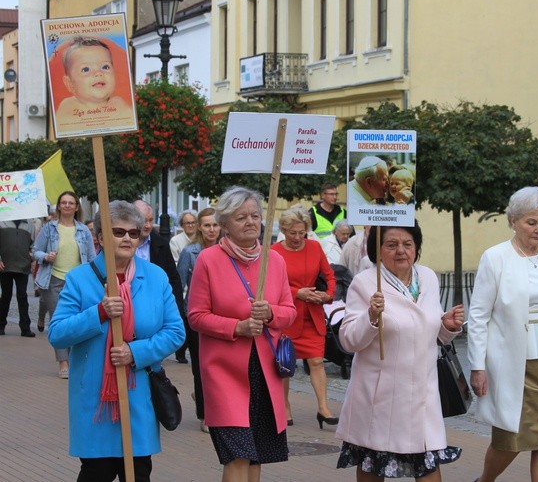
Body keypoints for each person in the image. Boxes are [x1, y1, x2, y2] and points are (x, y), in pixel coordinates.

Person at [47, 200, 185, 482]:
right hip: (96, 398)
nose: (126, 238)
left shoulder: (155, 277)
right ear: (99, 237)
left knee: (137, 473)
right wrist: (98, 312)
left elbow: (175, 331)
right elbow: (57, 332)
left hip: (139, 396)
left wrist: (136, 352)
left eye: (133, 233)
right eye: (118, 232)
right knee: (97, 472)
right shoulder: (80, 279)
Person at [336, 221, 465, 480]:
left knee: (429, 467)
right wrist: (371, 317)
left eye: (408, 244)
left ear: (417, 247)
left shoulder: (428, 277)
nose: (401, 251)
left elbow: (427, 328)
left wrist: (447, 325)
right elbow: (349, 340)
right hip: (380, 399)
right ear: (377, 250)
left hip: (422, 397)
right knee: (374, 466)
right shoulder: (365, 282)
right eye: (391, 245)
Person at [187, 186, 296, 482]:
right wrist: (237, 326)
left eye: (255, 215)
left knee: (256, 455)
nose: (250, 222)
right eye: (241, 217)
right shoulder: (208, 260)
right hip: (225, 372)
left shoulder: (275, 261)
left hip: (265, 370)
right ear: (224, 224)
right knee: (237, 454)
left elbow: (289, 311)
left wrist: (271, 313)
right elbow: (196, 316)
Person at [468, 187, 538, 482]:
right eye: (532, 222)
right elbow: (478, 316)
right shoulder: (495, 258)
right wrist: (477, 366)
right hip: (511, 360)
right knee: (510, 439)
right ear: (513, 221)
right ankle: (485, 480)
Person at [272, 207, 337, 427]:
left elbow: (329, 276)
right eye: (293, 233)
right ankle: (285, 406)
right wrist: (296, 293)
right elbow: (271, 287)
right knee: (285, 364)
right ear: (283, 230)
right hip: (287, 316)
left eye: (302, 232)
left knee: (317, 361)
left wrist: (327, 296)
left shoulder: (315, 247)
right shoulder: (273, 252)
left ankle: (323, 407)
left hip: (312, 313)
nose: (298, 237)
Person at [34, 191, 96, 378]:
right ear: (59, 206)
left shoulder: (84, 230)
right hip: (53, 280)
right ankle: (63, 362)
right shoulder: (49, 228)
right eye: (64, 202)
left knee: (77, 320)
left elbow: (92, 257)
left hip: (77, 282)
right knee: (59, 321)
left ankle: (77, 358)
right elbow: (35, 251)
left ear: (77, 207)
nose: (67, 206)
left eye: (71, 203)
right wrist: (45, 256)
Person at [177, 207, 221, 433]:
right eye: (207, 225)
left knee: (219, 366)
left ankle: (216, 405)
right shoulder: (190, 252)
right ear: (199, 228)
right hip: (197, 317)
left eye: (215, 225)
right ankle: (205, 414)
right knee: (201, 366)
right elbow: (180, 283)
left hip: (223, 316)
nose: (211, 229)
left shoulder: (227, 250)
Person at [133, 200, 187, 364]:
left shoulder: (160, 244)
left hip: (153, 304)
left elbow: (173, 278)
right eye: (144, 220)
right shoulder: (122, 243)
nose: (148, 225)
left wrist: (176, 305)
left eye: (150, 220)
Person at [55, 37, 132, 125]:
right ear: (70, 84)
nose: (98, 73)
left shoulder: (119, 104)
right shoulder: (68, 107)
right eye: (86, 69)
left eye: (105, 67)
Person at [0, 217, 37, 337]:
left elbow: (33, 245)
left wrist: (31, 258)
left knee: (22, 296)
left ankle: (25, 328)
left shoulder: (30, 223)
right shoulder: (2, 220)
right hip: (4, 265)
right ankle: (1, 325)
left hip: (23, 266)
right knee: (5, 295)